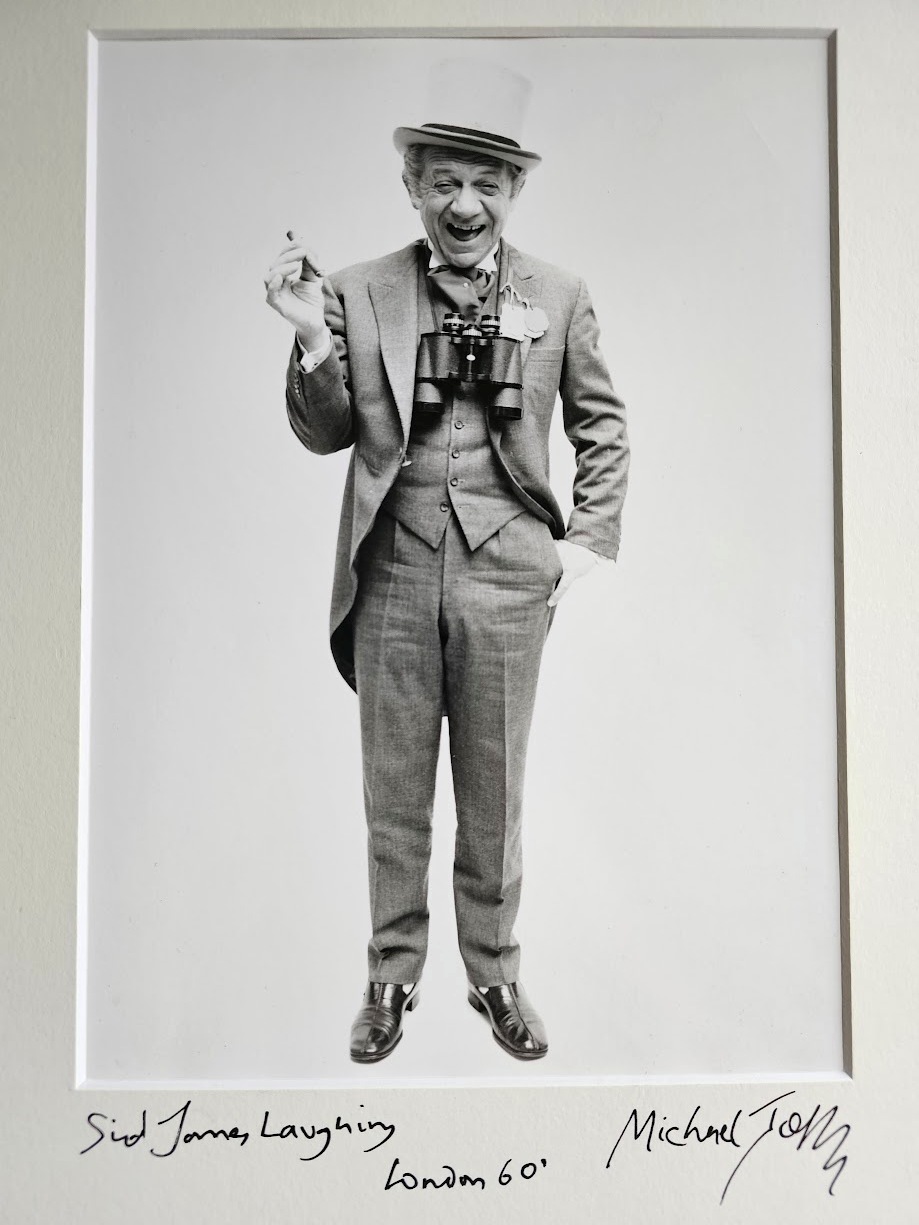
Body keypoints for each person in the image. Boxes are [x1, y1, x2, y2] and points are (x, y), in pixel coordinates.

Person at [264, 60, 629, 1064]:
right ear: (413, 185)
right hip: (390, 568)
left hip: (509, 573)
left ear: (513, 191)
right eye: (444, 182)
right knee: (393, 789)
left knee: (494, 786)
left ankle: (496, 972)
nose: (464, 204)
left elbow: (602, 425)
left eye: (487, 183)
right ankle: (389, 973)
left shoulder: (559, 294)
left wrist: (585, 544)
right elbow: (326, 430)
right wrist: (308, 344)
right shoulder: (355, 290)